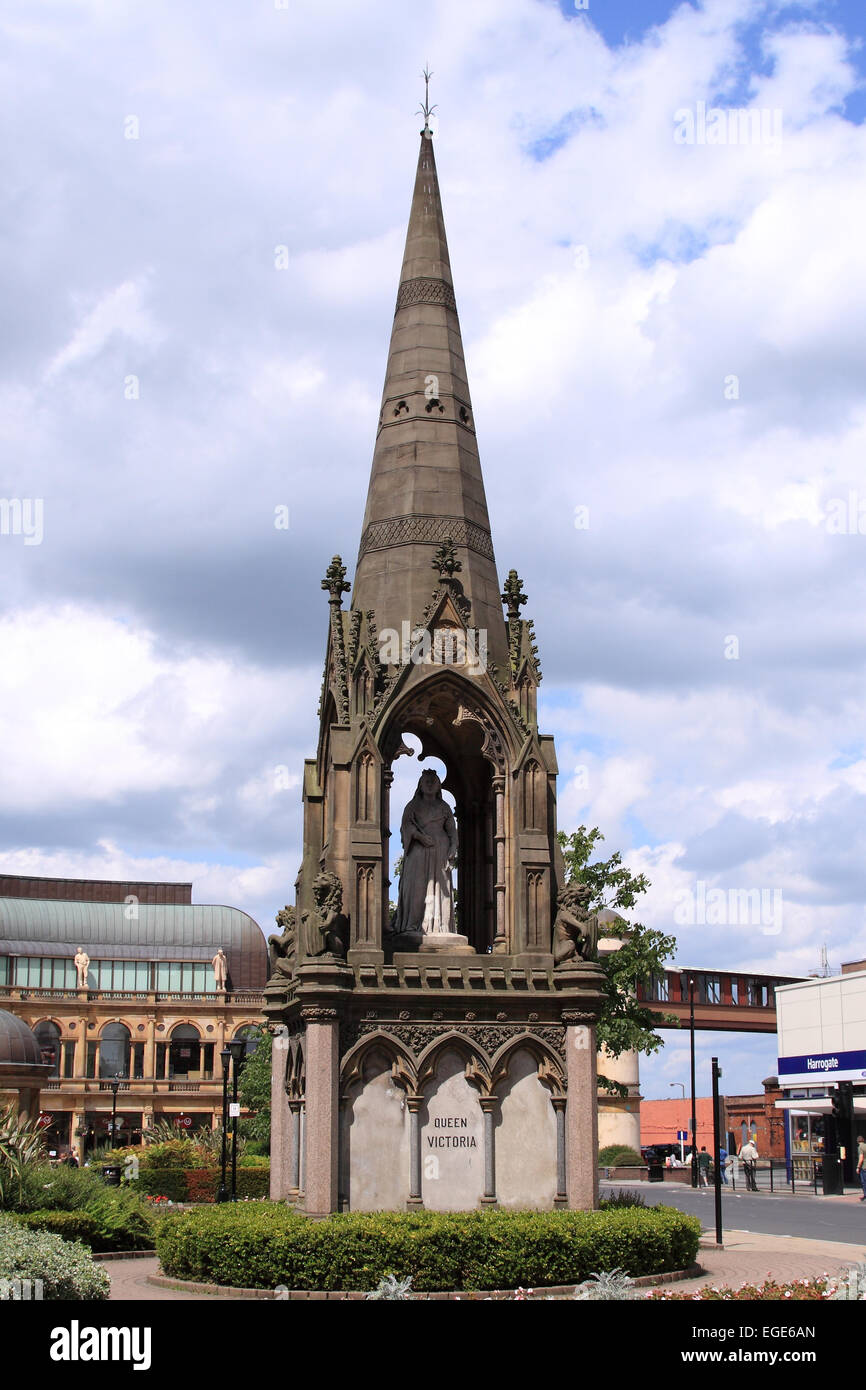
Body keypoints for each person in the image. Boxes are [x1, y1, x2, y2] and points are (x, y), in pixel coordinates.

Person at [857, 1134, 866, 1201]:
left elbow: (861, 1158)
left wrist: (858, 1167)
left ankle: (865, 1195)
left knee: (864, 1182)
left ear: (858, 1141)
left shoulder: (860, 1147)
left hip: (864, 1167)